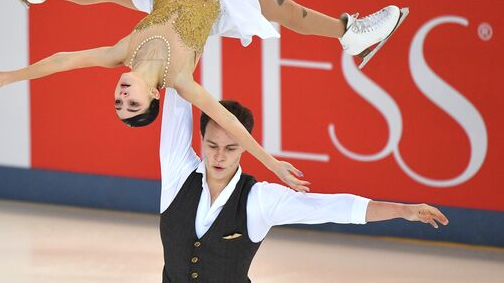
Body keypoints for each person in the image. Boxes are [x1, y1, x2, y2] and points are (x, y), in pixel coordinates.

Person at [0, 0, 407, 191]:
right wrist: (271, 163)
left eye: (117, 102)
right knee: (282, 9)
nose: (122, 96)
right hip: (217, 6)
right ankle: (351, 34)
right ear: (154, 97)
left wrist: (7, 78)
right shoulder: (179, 80)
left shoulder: (122, 52)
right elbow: (230, 123)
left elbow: (61, 60)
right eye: (131, 104)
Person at [158, 88, 448, 283]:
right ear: (200, 137)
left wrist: (402, 210)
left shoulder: (259, 200)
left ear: (246, 147)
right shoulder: (177, 173)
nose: (219, 156)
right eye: (212, 145)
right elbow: (177, 93)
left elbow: (330, 207)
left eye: (231, 148)